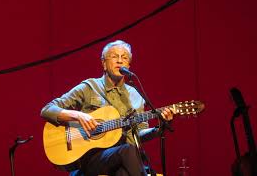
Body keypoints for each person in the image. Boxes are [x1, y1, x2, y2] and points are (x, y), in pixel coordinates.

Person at [41, 40, 174, 176]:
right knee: (128, 151)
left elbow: (138, 134)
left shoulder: (136, 95)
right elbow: (47, 110)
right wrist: (79, 116)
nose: (120, 61)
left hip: (122, 157)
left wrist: (159, 128)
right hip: (91, 158)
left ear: (128, 65)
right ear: (104, 63)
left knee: (124, 169)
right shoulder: (89, 87)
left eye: (124, 57)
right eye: (114, 56)